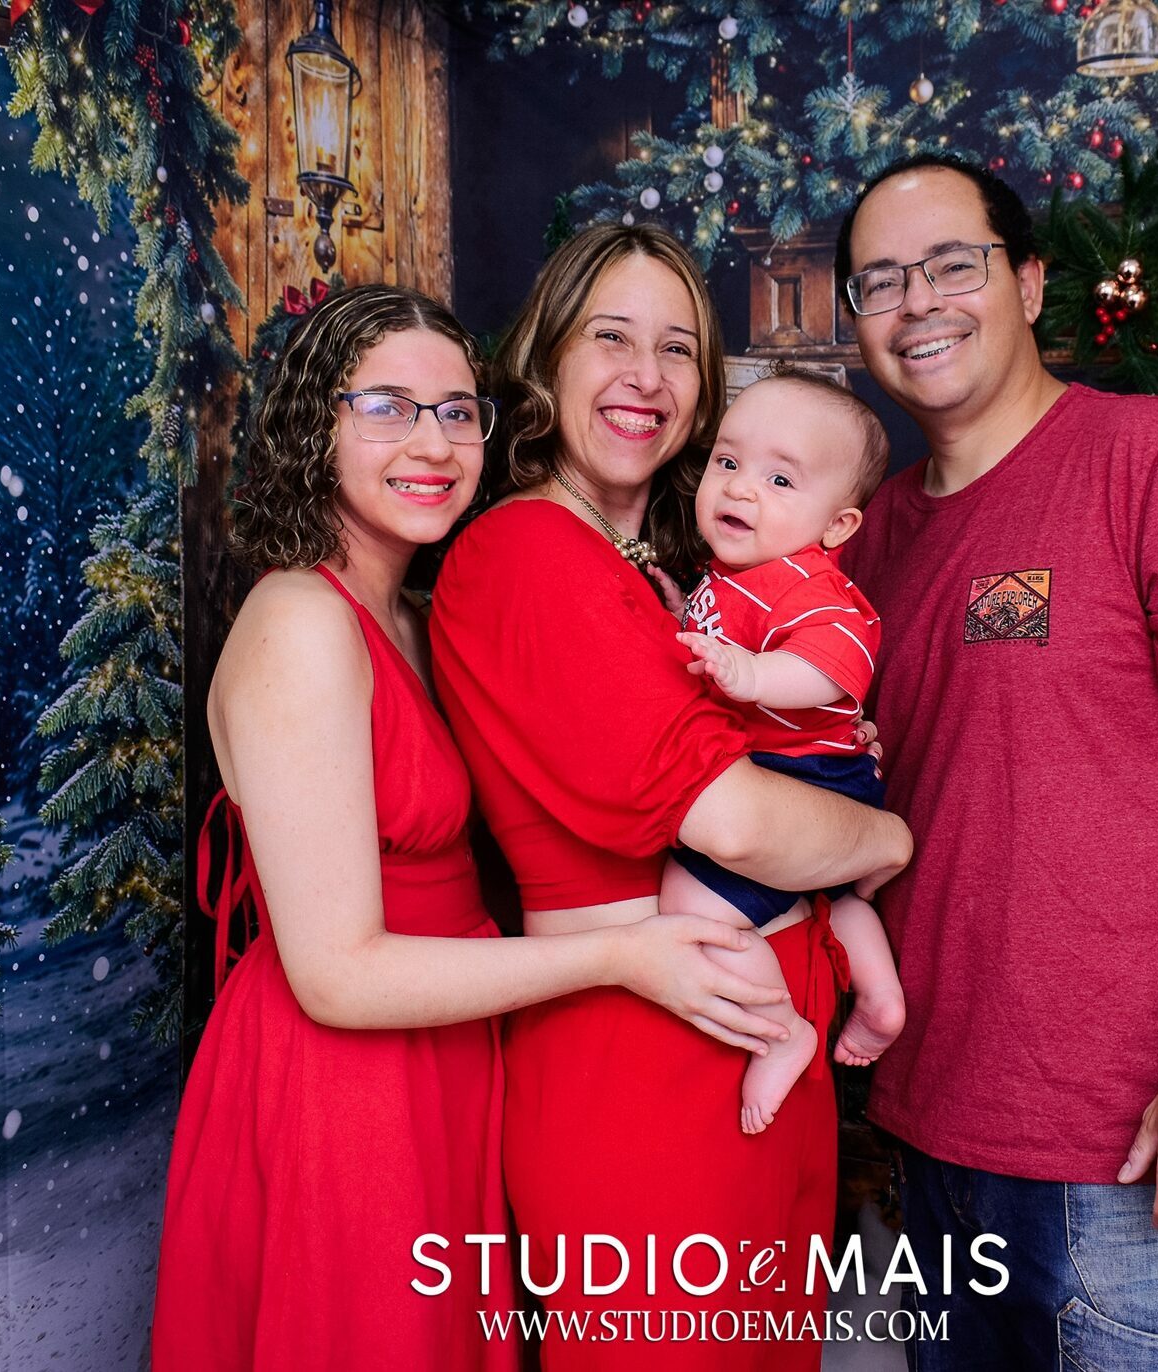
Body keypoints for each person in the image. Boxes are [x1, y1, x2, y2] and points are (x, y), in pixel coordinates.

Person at [151, 284, 798, 1372]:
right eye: (388, 408)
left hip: (447, 1053)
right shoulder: (300, 619)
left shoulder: (410, 614)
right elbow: (338, 976)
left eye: (458, 412)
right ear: (315, 425)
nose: (434, 443)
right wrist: (620, 956)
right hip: (342, 1086)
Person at [833, 156, 1158, 1371]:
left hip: (1133, 1150)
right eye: (881, 281)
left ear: (1027, 282)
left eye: (952, 265)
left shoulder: (1157, 459)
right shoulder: (870, 535)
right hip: (930, 1132)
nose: (918, 303)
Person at [430, 224, 913, 1372]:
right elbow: (736, 820)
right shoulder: (529, 551)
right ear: (547, 356)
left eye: (679, 348)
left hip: (747, 1041)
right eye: (611, 337)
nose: (646, 376)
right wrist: (886, 833)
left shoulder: (673, 576)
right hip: (646, 1061)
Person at [651, 370, 907, 1135]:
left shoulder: (811, 588)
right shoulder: (738, 574)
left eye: (780, 479)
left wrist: (753, 675)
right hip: (801, 774)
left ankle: (780, 1028)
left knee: (690, 904)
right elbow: (724, 628)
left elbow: (838, 666)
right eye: (728, 462)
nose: (740, 488)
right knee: (833, 898)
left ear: (838, 525)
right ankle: (881, 998)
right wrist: (679, 615)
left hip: (806, 774)